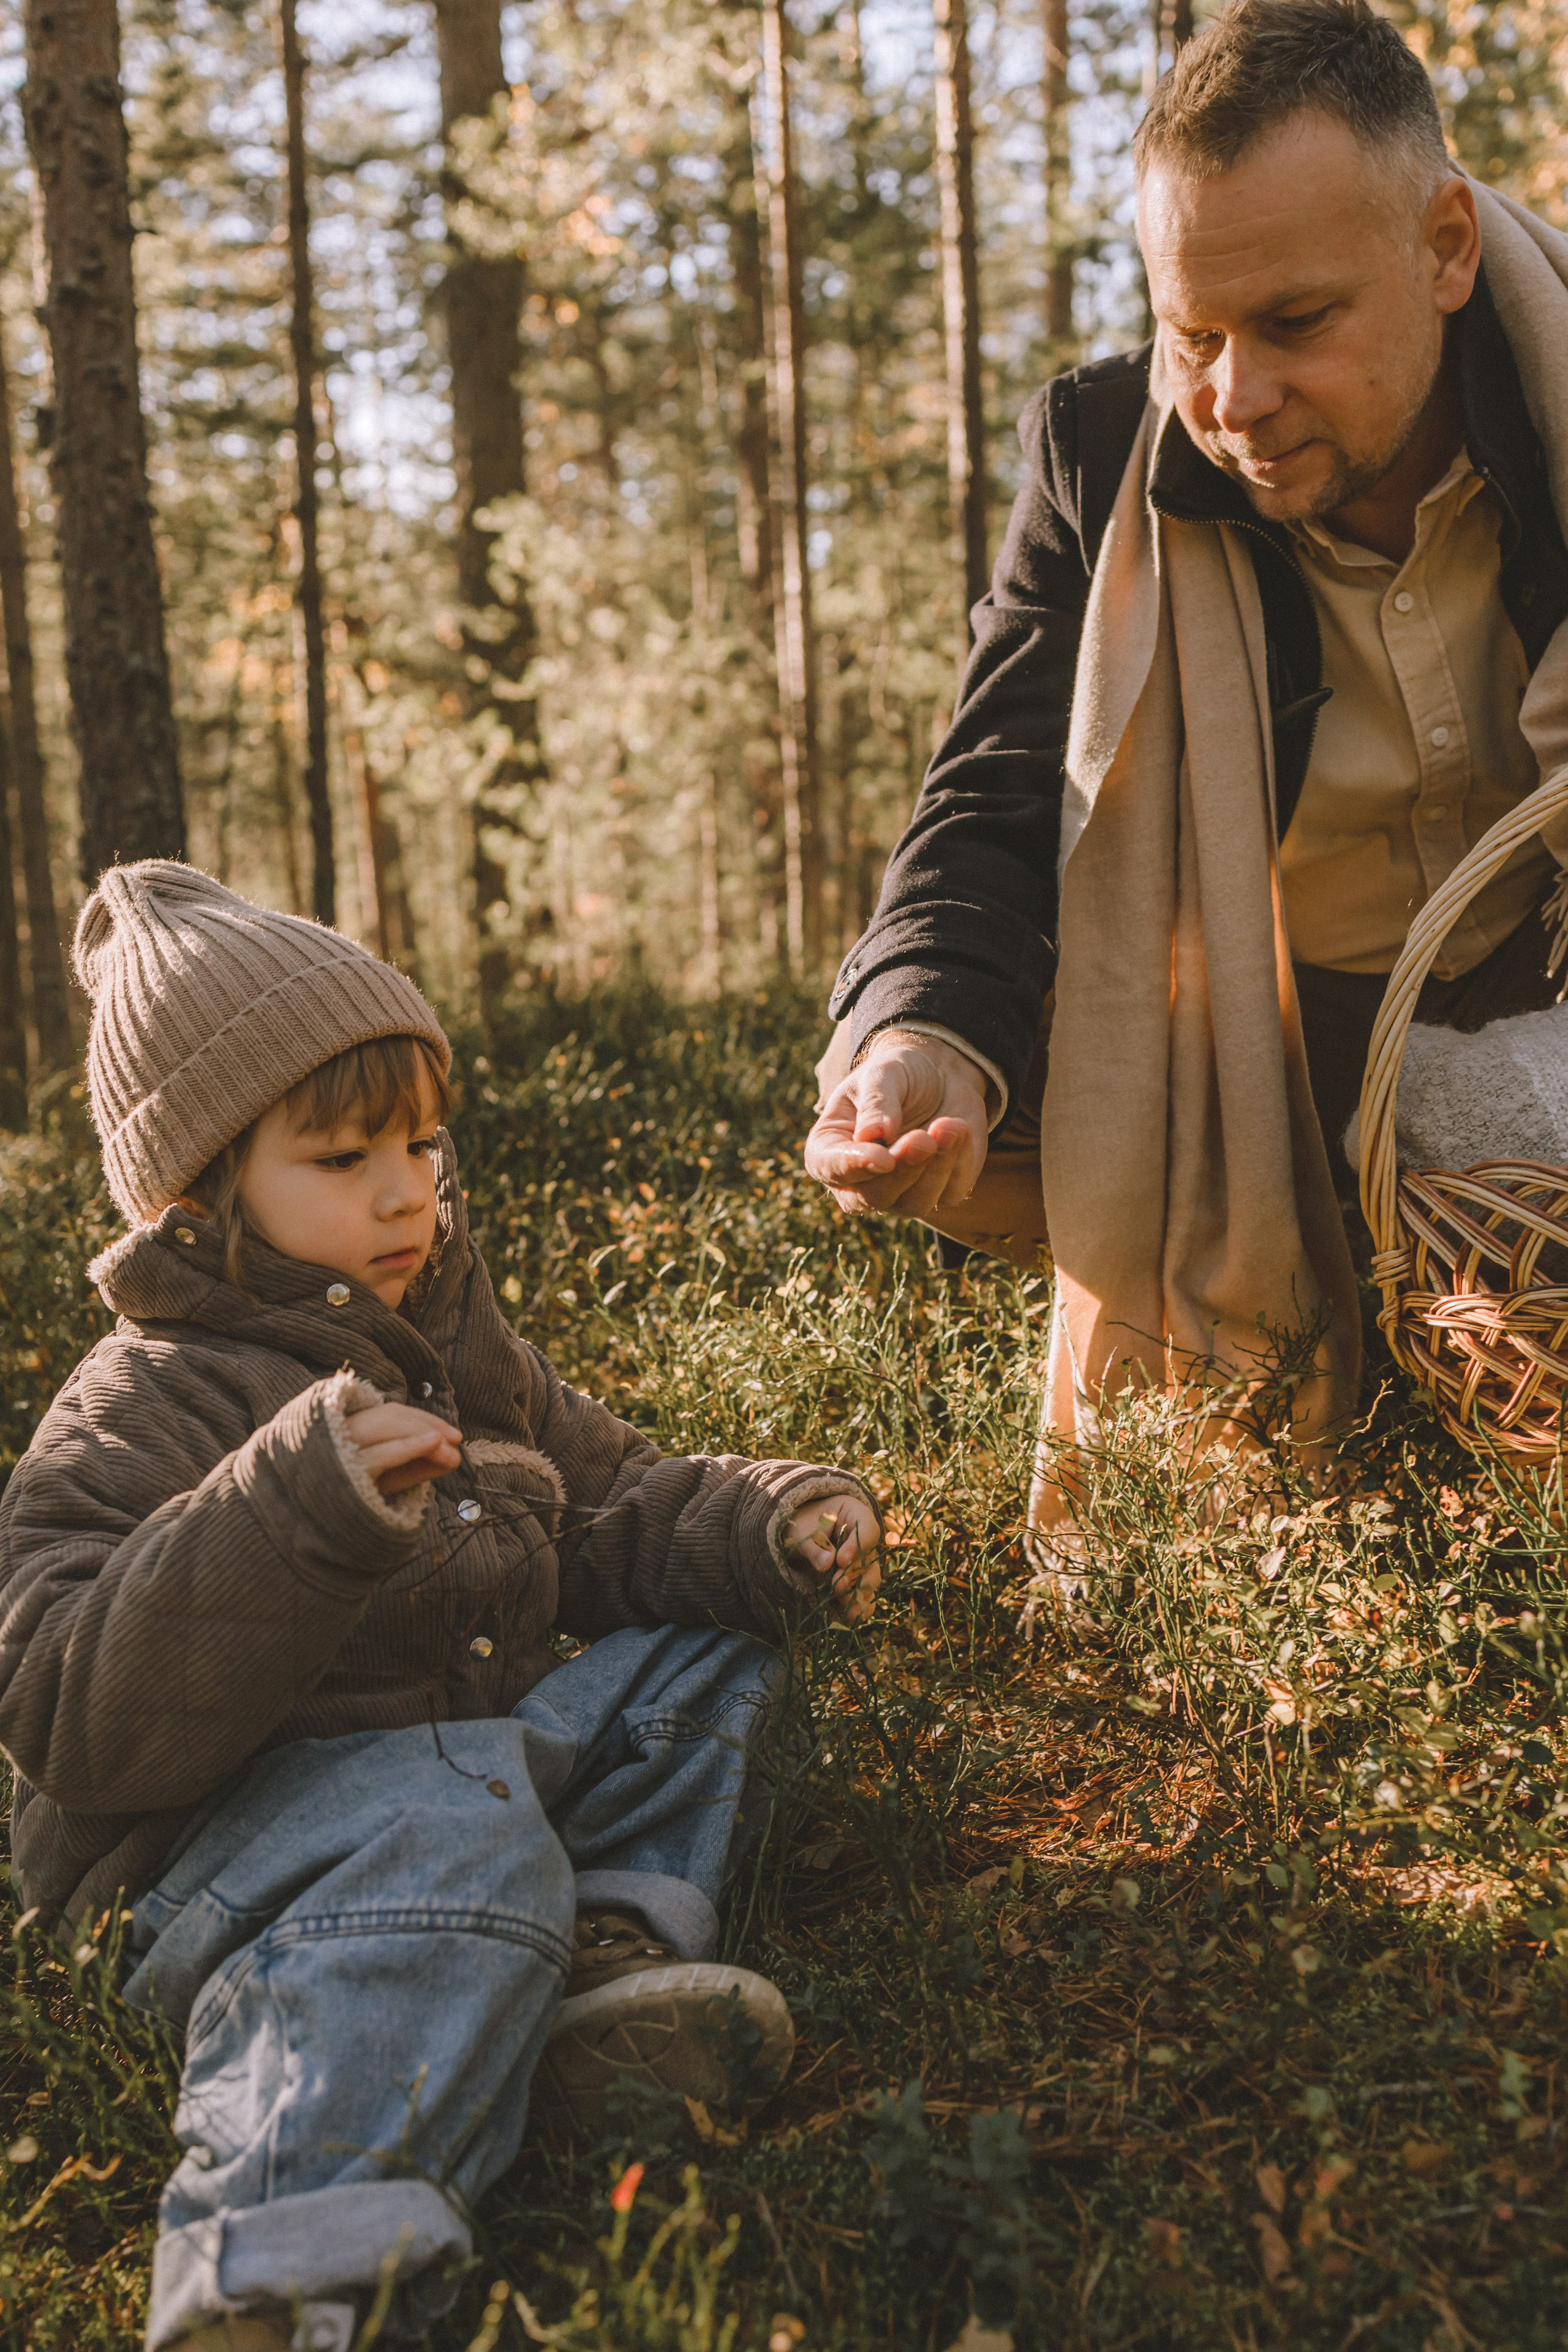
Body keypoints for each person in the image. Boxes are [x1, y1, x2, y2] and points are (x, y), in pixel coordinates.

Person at [0, 861, 882, 2352]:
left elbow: (602, 1507)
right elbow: (68, 1716)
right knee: (453, 1819)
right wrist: (291, 1510)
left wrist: (762, 1522)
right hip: (214, 1869)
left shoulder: (449, 1336)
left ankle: (589, 1963)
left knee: (705, 1648)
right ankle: (277, 2270)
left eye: (420, 1142)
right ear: (193, 1198)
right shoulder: (138, 1406)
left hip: (461, 1791)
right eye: (344, 1157)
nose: (407, 1189)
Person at [806, 0, 1568, 1509]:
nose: (1231, 400)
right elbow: (995, 791)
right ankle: (1337, 1320)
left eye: (1294, 324)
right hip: (1270, 1058)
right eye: (1191, 334)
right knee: (988, 1081)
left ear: (1442, 249)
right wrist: (914, 1038)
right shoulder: (1101, 455)